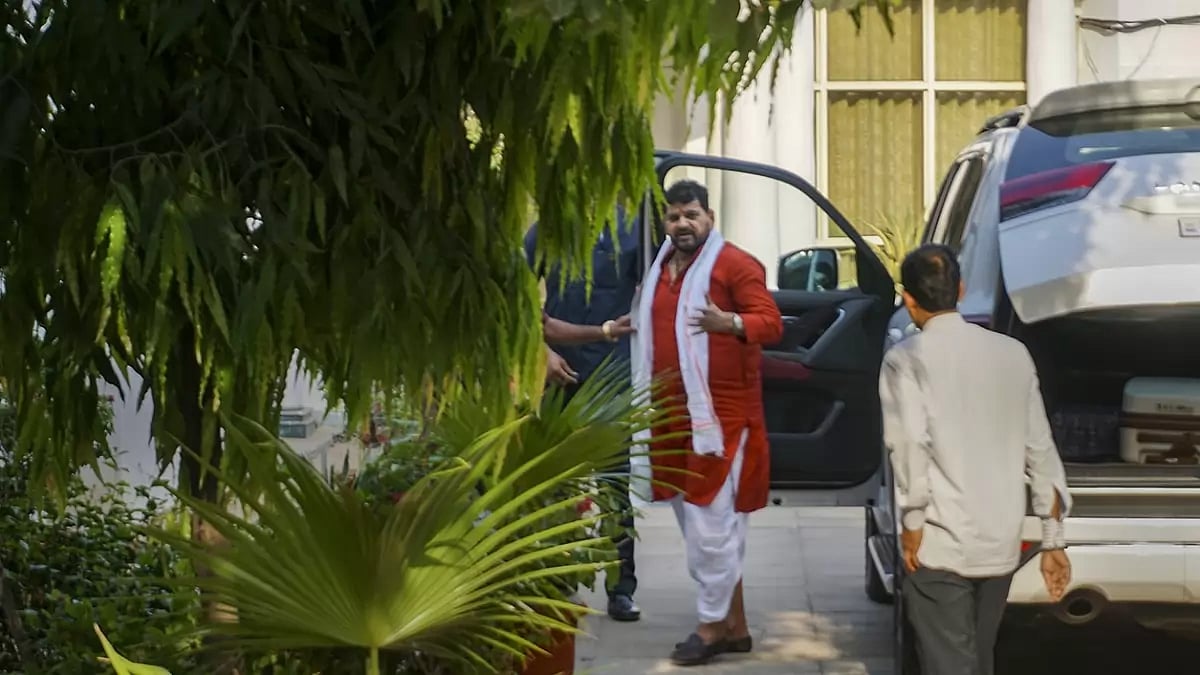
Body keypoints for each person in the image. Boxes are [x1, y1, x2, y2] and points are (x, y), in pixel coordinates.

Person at [880, 244, 1073, 675]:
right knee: (977, 659)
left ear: (908, 298)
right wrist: (1053, 538)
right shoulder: (1013, 354)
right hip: (999, 542)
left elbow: (910, 447)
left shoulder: (905, 360)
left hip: (938, 540)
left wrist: (911, 525)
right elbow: (1040, 449)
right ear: (961, 289)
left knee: (951, 663)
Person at [629, 179, 783, 666]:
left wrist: (731, 323)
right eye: (674, 217)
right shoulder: (661, 267)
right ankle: (735, 627)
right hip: (668, 415)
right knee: (698, 527)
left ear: (709, 218)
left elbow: (772, 323)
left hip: (718, 420)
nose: (682, 224)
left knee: (712, 529)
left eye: (691, 215)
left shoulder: (734, 264)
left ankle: (711, 627)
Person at [525, 209, 643, 622]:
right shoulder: (548, 229)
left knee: (614, 485)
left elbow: (658, 289)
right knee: (555, 485)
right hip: (558, 377)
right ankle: (557, 584)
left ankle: (620, 588)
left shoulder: (632, 228)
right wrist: (543, 354)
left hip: (611, 378)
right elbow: (518, 300)